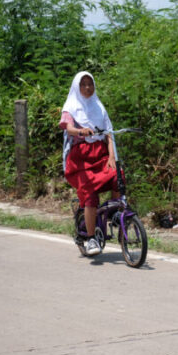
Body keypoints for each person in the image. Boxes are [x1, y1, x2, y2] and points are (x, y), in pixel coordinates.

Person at [59, 71, 118, 256]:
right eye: (83, 84)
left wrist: (111, 157)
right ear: (77, 87)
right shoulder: (71, 106)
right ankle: (91, 238)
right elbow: (67, 127)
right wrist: (79, 131)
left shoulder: (99, 107)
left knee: (118, 178)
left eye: (90, 84)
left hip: (100, 155)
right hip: (80, 160)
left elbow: (109, 134)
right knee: (90, 196)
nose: (87, 87)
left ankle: (115, 214)